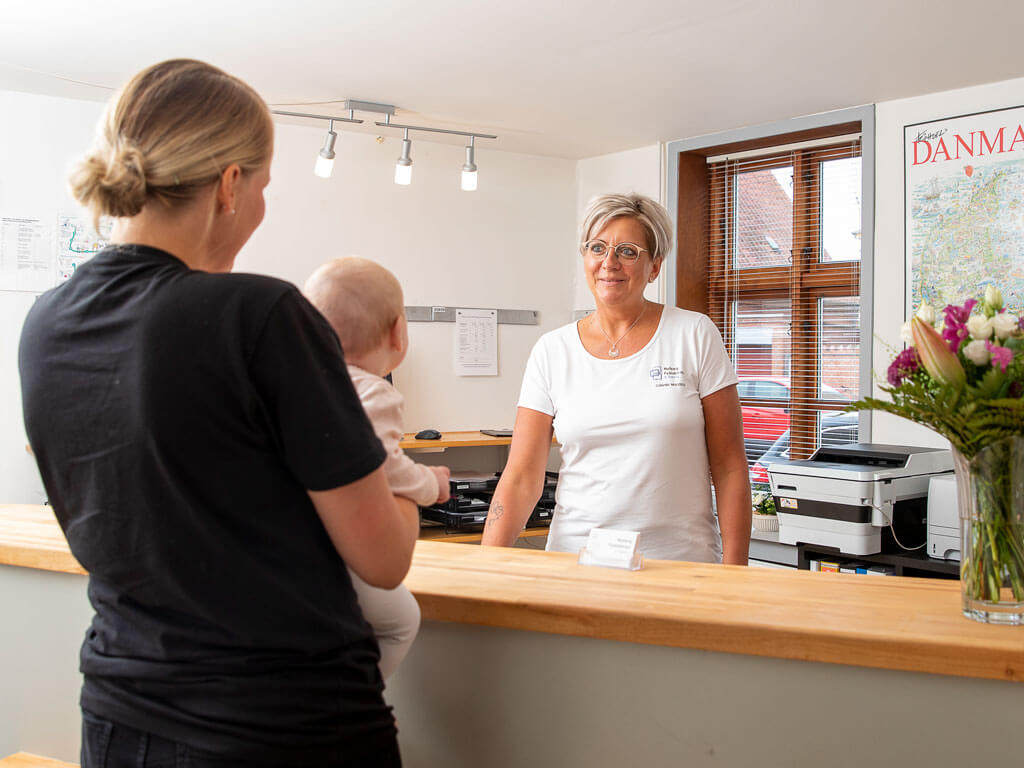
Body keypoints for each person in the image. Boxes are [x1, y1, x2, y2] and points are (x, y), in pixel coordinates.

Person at [18, 59, 418, 767]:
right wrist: (414, 494)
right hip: (281, 726)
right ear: (230, 185)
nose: (261, 208)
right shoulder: (260, 315)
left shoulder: (47, 321)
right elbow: (383, 560)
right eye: (263, 188)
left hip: (117, 718)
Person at [481, 193, 751, 564]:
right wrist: (484, 565)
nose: (609, 263)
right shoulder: (552, 350)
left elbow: (731, 467)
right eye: (598, 248)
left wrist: (735, 574)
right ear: (585, 257)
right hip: (576, 563)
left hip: (681, 565)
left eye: (627, 251)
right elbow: (522, 476)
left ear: (654, 266)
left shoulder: (694, 334)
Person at [304, 256, 451, 679]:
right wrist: (431, 483)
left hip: (293, 552)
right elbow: (382, 467)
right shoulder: (374, 393)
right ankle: (359, 693)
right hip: (346, 554)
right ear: (397, 333)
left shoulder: (295, 387)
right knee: (400, 620)